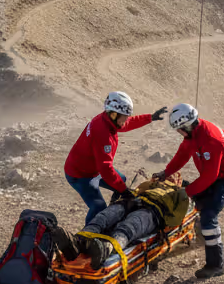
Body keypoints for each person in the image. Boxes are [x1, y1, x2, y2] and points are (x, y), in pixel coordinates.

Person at [153, 103, 224, 279]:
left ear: (187, 126)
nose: (179, 133)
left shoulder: (211, 140)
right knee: (199, 198)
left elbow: (210, 177)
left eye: (180, 130)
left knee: (209, 214)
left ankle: (216, 265)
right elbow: (182, 155)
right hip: (216, 174)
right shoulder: (192, 135)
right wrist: (166, 172)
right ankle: (204, 234)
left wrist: (186, 192)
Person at [64, 91, 167, 224]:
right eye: (124, 117)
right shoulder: (103, 133)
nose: (126, 120)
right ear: (113, 114)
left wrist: (150, 117)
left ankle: (114, 214)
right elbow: (106, 168)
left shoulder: (108, 121)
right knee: (98, 206)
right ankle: (87, 237)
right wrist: (124, 191)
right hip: (80, 175)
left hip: (93, 169)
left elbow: (128, 123)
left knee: (121, 180)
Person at [53, 172, 191, 264]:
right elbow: (136, 191)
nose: (171, 175)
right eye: (169, 173)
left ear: (179, 181)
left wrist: (163, 223)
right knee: (104, 217)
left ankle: (107, 249)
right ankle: (77, 242)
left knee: (130, 226)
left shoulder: (180, 193)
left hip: (153, 211)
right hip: (132, 202)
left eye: (176, 175)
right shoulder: (151, 184)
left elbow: (178, 217)